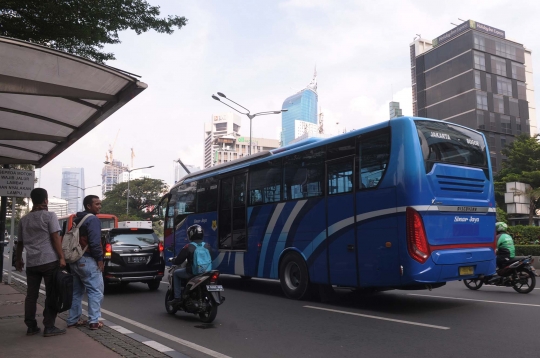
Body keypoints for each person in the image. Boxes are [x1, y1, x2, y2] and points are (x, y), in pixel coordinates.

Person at [15, 188, 66, 337]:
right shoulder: (49, 216)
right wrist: (61, 257)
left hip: (32, 262)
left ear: (32, 200)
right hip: (49, 260)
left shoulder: (24, 220)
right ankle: (49, 326)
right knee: (51, 294)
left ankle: (31, 326)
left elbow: (20, 243)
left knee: (31, 296)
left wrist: (19, 260)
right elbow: (55, 238)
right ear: (45, 200)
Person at [66, 195, 104, 330]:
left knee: (77, 292)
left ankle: (73, 319)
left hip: (75, 260)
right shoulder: (93, 220)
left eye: (100, 204)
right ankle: (94, 321)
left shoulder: (78, 219)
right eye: (97, 204)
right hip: (87, 259)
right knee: (95, 291)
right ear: (89, 206)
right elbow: (94, 242)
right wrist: (99, 259)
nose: (99, 206)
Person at [169, 224, 212, 304]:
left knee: (176, 273)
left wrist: (173, 260)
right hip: (207, 272)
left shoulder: (189, 246)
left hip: (193, 272)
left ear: (190, 234)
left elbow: (179, 260)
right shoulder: (207, 245)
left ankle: (177, 297)